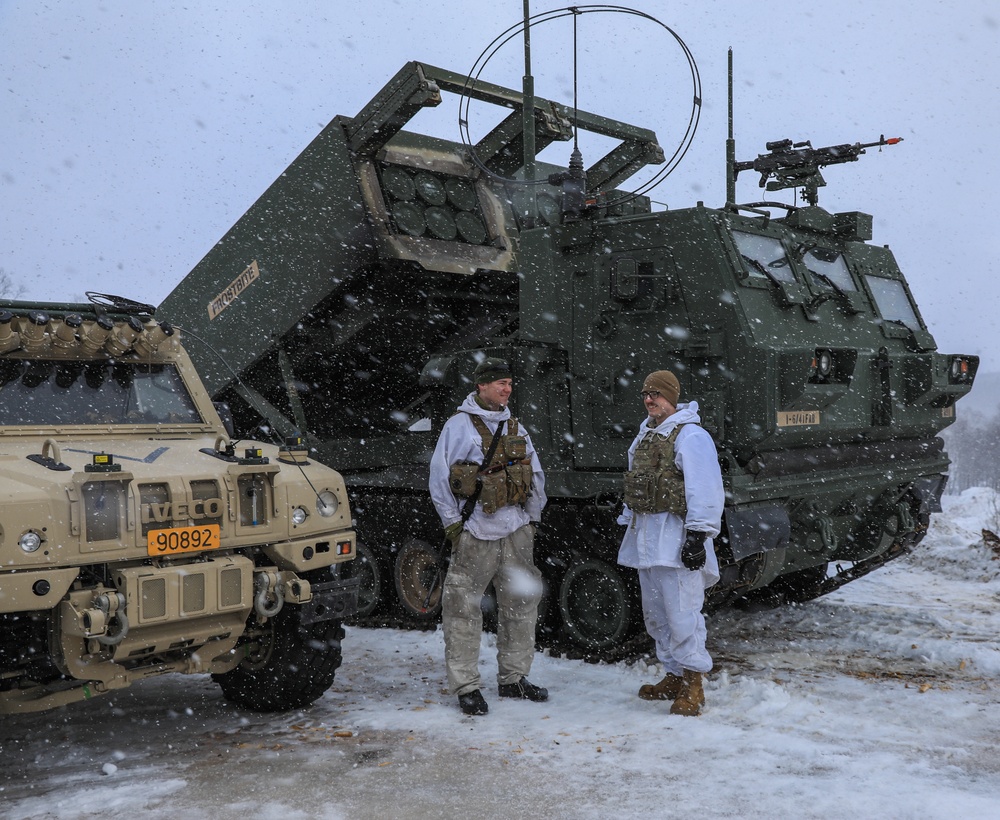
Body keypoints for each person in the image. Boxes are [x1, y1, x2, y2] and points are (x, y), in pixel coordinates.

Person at [429, 357, 548, 716]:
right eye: (500, 383)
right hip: (477, 533)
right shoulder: (458, 426)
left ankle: (514, 679)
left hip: (515, 533)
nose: (507, 389)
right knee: (463, 610)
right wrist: (455, 526)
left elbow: (535, 474)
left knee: (521, 608)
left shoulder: (515, 426)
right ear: (481, 386)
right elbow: (439, 480)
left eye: (510, 383)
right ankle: (466, 686)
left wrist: (531, 520)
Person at [617, 370, 724, 716]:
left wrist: (697, 535)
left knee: (682, 614)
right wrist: (625, 518)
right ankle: (674, 675)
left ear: (672, 398)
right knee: (657, 616)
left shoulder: (691, 436)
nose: (651, 399)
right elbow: (636, 481)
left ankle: (694, 683)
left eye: (657, 394)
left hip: (676, 539)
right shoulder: (645, 435)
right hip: (646, 540)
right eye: (647, 394)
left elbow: (704, 487)